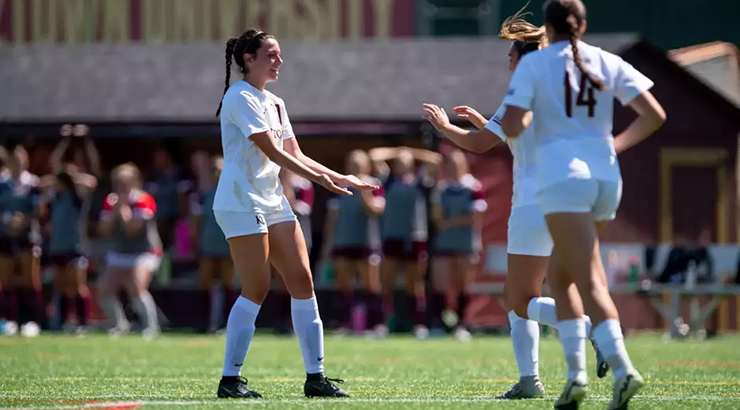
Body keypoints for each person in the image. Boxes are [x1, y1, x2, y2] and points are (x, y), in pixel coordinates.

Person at [421, 6, 608, 399]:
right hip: (567, 203)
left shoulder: (521, 95)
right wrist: (485, 121)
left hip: (530, 208)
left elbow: (477, 144)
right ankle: (532, 378)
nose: (508, 62)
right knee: (542, 291)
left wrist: (445, 127)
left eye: (511, 56)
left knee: (518, 299)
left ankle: (588, 335)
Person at [498, 0, 665, 408]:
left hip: (563, 180)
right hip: (607, 179)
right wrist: (616, 144)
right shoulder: (605, 59)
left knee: (580, 279)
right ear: (583, 25)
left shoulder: (536, 65)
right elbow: (654, 114)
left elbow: (513, 124)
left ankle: (617, 370)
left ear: (547, 30)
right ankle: (575, 380)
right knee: (567, 274)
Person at [213, 28, 375, 399]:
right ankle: (229, 380)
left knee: (302, 280)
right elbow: (273, 153)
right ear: (248, 60)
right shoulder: (239, 96)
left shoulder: (276, 102)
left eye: (279, 54)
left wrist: (340, 175)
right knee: (256, 287)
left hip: (271, 199)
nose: (279, 60)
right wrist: (320, 180)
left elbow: (296, 154)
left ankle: (316, 378)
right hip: (241, 200)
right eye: (270, 54)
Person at [368, 147, 439, 339]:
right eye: (399, 163)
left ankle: (418, 324)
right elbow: (374, 155)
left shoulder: (420, 181)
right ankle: (382, 323)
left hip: (416, 236)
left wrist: (411, 153)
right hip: (392, 236)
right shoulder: (388, 180)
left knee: (414, 284)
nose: (402, 165)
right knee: (387, 283)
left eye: (405, 163)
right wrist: (398, 152)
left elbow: (436, 159)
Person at [320, 150, 385, 337]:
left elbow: (376, 210)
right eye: (352, 163)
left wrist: (364, 193)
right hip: (343, 241)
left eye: (359, 164)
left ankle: (375, 325)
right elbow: (333, 218)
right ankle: (344, 324)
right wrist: (328, 245)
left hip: (367, 241)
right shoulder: (339, 184)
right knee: (343, 285)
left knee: (371, 285)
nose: (355, 167)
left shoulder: (375, 184)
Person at [97, 163, 162, 339]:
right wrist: (114, 211)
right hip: (120, 252)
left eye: (125, 183)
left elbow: (132, 229)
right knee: (104, 288)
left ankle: (151, 326)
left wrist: (123, 209)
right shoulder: (110, 200)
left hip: (145, 252)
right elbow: (103, 230)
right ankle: (119, 324)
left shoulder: (144, 199)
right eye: (117, 183)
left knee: (136, 286)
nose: (120, 187)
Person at [429, 150, 486, 342]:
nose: (454, 168)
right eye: (450, 164)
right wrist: (449, 221)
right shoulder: (441, 188)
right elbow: (437, 217)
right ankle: (439, 323)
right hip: (444, 243)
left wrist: (451, 223)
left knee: (464, 283)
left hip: (465, 243)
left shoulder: (474, 187)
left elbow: (475, 217)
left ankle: (462, 324)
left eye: (457, 164)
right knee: (440, 282)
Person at [0, 145, 43, 337]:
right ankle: (8, 320)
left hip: (28, 236)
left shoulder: (33, 183)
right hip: (5, 234)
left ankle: (31, 321)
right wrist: (8, 220)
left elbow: (40, 212)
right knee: (5, 280)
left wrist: (24, 219)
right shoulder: (2, 183)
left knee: (30, 280)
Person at [190, 155, 235, 333]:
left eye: (221, 170)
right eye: (215, 170)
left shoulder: (235, 195)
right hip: (207, 247)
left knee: (228, 285)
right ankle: (205, 323)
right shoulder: (202, 197)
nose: (218, 174)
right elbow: (196, 224)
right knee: (205, 285)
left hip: (228, 248)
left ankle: (226, 324)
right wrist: (195, 245)